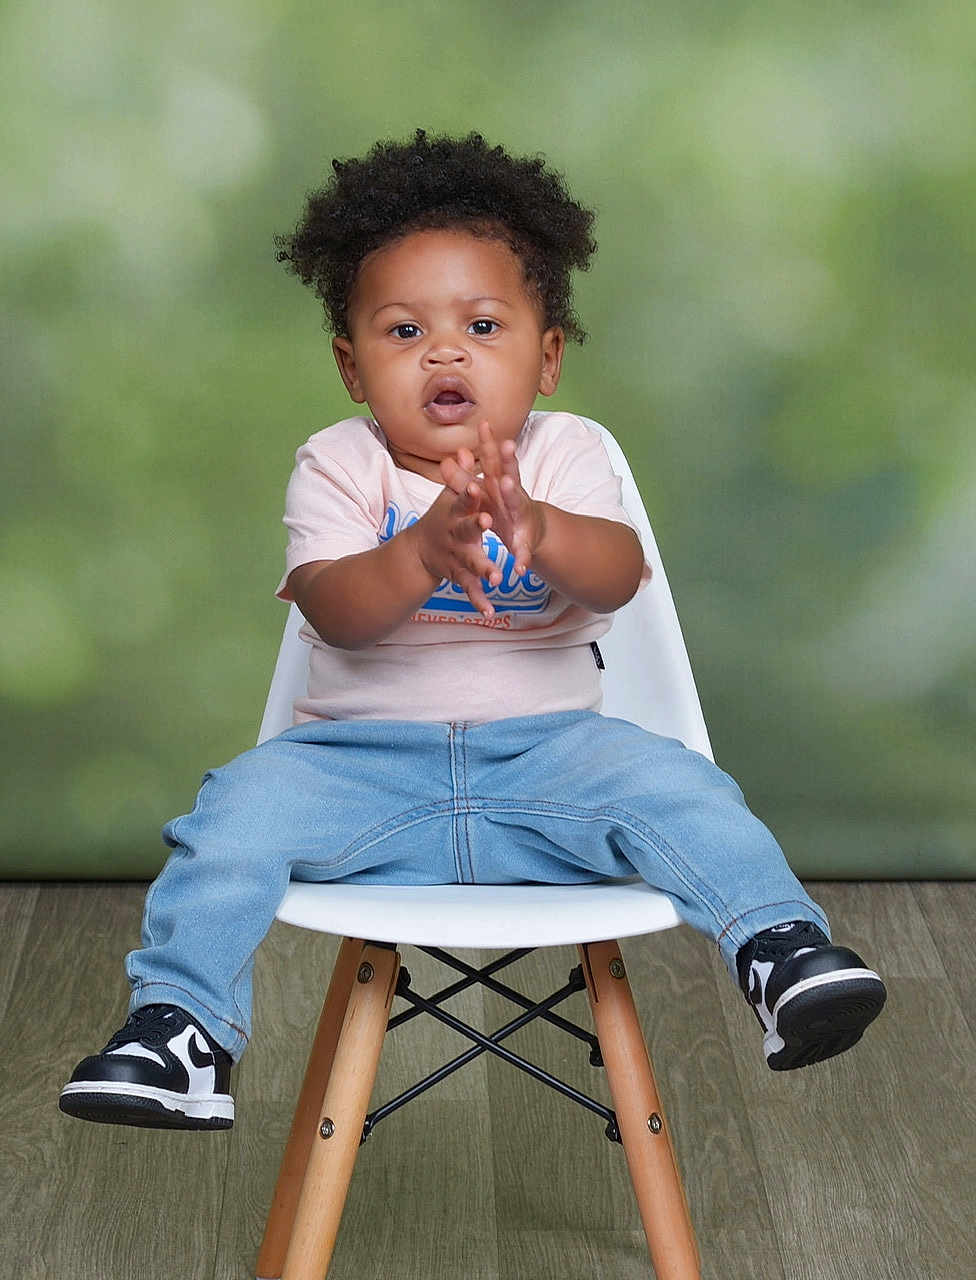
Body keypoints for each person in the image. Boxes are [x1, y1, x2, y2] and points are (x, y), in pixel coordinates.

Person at [59, 131, 886, 1131]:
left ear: (545, 357)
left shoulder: (569, 451)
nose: (443, 351)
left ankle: (781, 948)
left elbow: (619, 578)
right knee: (230, 812)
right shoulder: (337, 465)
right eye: (402, 332)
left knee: (680, 787)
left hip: (553, 763)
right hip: (360, 773)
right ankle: (181, 1030)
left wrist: (535, 526)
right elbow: (336, 609)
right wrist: (418, 550)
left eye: (483, 324)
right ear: (350, 365)